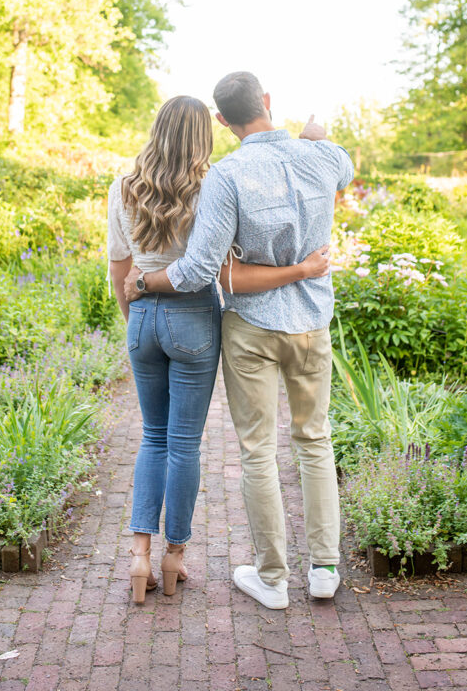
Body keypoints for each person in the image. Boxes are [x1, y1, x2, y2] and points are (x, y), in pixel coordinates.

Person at [124, 73, 353, 609]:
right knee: (314, 441)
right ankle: (324, 570)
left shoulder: (226, 176)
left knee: (258, 451)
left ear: (223, 122)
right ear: (269, 102)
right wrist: (316, 138)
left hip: (250, 327)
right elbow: (343, 164)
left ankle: (272, 579)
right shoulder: (324, 157)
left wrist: (146, 282)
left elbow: (202, 268)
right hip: (311, 322)